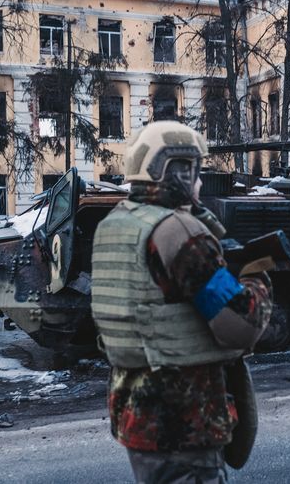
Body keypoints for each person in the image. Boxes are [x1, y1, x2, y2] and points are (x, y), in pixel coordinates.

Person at [90, 121, 273, 483]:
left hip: (138, 416)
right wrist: (258, 273)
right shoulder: (178, 232)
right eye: (195, 172)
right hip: (185, 419)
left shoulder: (116, 224)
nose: (200, 182)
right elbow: (240, 324)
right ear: (176, 172)